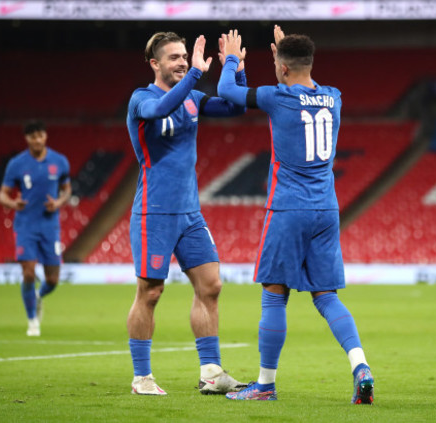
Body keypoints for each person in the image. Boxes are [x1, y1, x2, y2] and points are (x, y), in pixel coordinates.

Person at [217, 27, 374, 404]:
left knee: (274, 296)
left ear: (283, 68)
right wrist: (286, 55)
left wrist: (232, 60)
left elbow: (227, 92)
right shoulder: (334, 97)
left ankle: (265, 385)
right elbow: (304, 84)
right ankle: (361, 366)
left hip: (288, 207)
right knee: (326, 296)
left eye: (276, 63)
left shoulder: (278, 97)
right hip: (326, 208)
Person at [126, 31, 248, 396]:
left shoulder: (193, 97)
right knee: (150, 292)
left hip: (190, 213)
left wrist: (235, 67)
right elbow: (160, 110)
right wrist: (196, 73)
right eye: (174, 58)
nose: (181, 62)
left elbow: (236, 107)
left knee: (211, 286)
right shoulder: (141, 99)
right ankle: (142, 378)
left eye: (184, 56)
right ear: (155, 64)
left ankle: (211, 372)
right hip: (155, 210)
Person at [0, 120, 71, 337]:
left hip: (51, 226)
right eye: (33, 136)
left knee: (53, 280)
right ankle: (32, 321)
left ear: (45, 136)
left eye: (40, 135)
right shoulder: (17, 164)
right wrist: (12, 204)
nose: (37, 140)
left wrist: (58, 203)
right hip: (26, 226)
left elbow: (67, 190)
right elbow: (2, 194)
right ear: (27, 139)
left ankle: (38, 297)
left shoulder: (59, 161)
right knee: (28, 273)